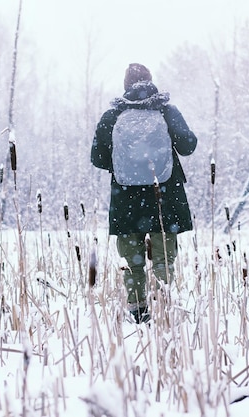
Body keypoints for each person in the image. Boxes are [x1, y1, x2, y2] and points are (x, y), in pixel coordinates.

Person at [91, 63, 197, 324]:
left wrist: (125, 165)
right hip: (165, 197)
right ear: (151, 81)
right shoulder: (167, 112)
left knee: (132, 261)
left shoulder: (112, 116)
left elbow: (97, 157)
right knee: (163, 260)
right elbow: (188, 145)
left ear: (126, 85)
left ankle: (138, 312)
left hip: (126, 199)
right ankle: (164, 309)